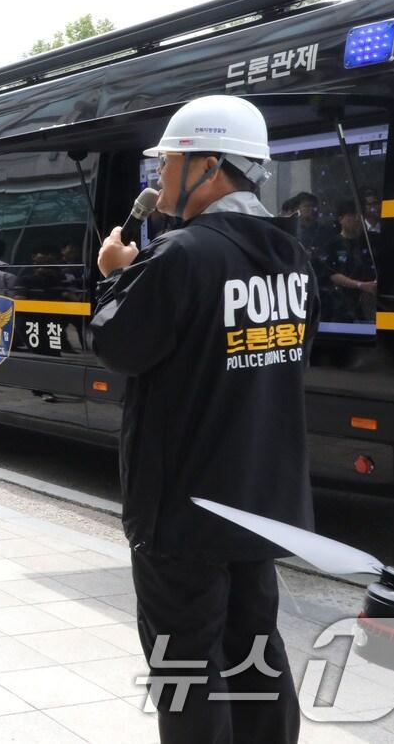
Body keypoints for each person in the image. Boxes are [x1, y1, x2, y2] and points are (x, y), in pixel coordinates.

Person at [91, 95, 318, 744]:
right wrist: (146, 275)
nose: (158, 176)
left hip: (184, 509)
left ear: (210, 165)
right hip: (259, 499)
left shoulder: (181, 255)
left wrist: (114, 278)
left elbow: (118, 344)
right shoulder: (292, 258)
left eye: (169, 161)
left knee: (187, 666)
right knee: (254, 650)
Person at [320, 200, 377, 324]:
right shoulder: (332, 244)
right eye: (352, 215)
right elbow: (331, 273)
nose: (357, 219)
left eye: (359, 215)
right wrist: (360, 285)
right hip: (341, 303)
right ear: (341, 218)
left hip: (369, 302)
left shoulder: (371, 240)